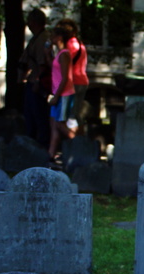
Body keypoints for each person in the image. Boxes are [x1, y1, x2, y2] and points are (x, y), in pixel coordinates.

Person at [18, 8, 51, 147]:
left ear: (33, 22)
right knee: (31, 115)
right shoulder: (36, 38)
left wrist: (37, 81)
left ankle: (39, 146)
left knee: (38, 116)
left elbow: (42, 64)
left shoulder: (42, 39)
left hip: (37, 84)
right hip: (32, 81)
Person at [48, 24, 76, 161]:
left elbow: (66, 78)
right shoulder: (58, 53)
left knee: (60, 124)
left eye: (53, 35)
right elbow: (53, 69)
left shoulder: (64, 54)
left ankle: (80, 144)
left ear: (59, 37)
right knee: (54, 124)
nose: (50, 38)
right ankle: (50, 154)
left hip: (64, 94)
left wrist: (56, 97)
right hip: (57, 93)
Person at [56, 18, 88, 135]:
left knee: (66, 119)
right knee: (76, 116)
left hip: (72, 83)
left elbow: (64, 65)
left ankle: (77, 142)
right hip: (81, 81)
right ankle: (82, 141)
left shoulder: (70, 45)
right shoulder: (79, 43)